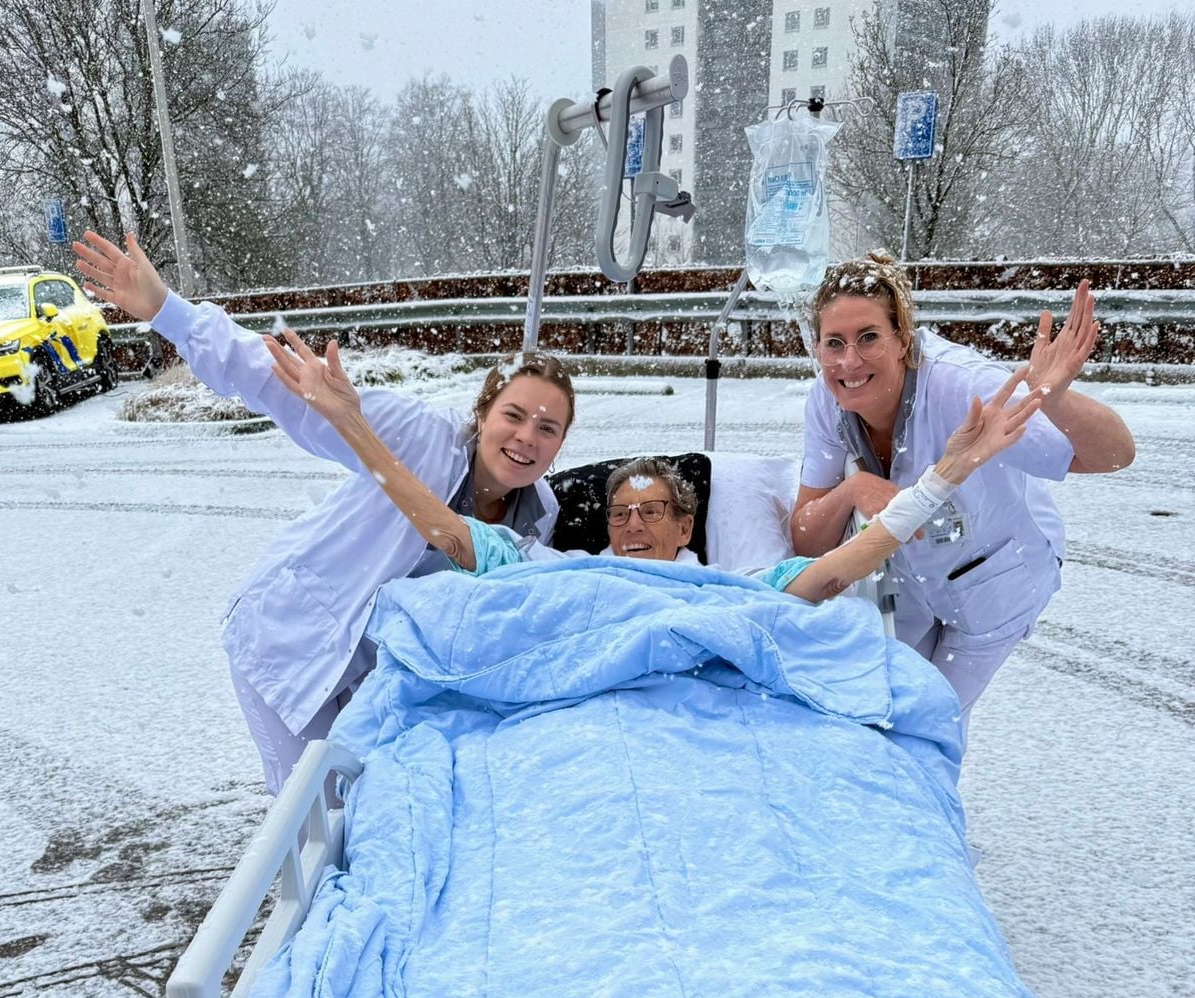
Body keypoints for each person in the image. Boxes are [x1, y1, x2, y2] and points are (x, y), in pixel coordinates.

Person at [71, 230, 575, 792]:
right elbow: (278, 382)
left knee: (362, 809)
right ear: (482, 414)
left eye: (547, 428)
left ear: (560, 444)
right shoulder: (419, 435)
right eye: (514, 416)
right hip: (291, 639)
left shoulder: (538, 516)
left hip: (375, 678)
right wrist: (169, 311)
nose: (526, 437)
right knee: (310, 809)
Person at [260, 326, 1045, 608]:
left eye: (652, 510)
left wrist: (942, 478)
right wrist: (352, 426)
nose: (633, 523)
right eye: (621, 512)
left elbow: (836, 568)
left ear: (686, 526)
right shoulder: (550, 568)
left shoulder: (729, 588)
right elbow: (439, 524)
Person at [791, 252, 1135, 727]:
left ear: (902, 340)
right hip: (910, 585)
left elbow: (1113, 455)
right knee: (869, 715)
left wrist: (1053, 398)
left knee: (925, 726)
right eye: (834, 343)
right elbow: (806, 538)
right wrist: (853, 490)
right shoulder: (828, 402)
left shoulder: (963, 388)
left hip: (996, 581)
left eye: (868, 337)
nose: (849, 361)